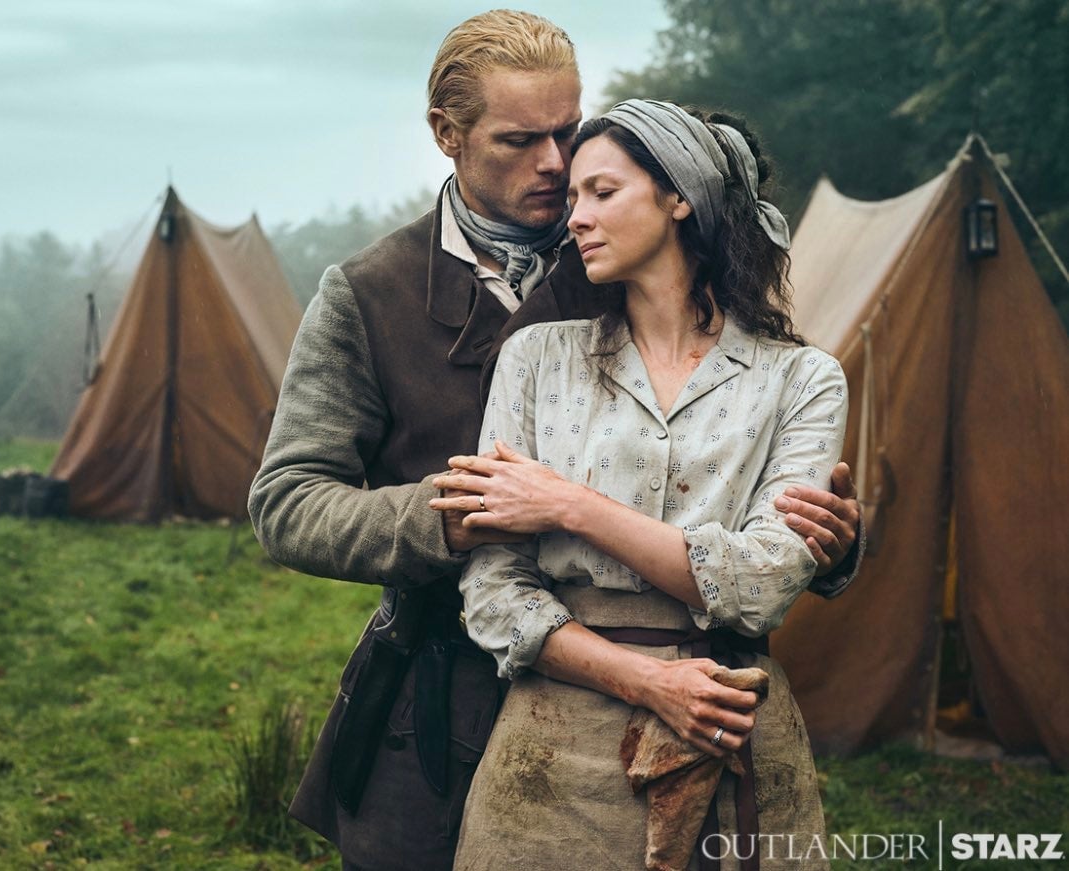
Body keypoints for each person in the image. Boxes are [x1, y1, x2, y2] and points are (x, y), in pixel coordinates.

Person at [248, 11, 861, 871]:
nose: (553, 164)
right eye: (518, 139)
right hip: (443, 682)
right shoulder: (366, 294)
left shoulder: (628, 244)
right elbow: (286, 504)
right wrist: (456, 515)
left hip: (675, 671)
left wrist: (819, 540)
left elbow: (744, 423)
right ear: (447, 135)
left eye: (566, 132)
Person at [429, 100, 844, 870]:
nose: (575, 218)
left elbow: (759, 588)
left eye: (602, 192)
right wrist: (647, 680)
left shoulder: (802, 379)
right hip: (553, 753)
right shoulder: (536, 360)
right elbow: (492, 586)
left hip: (732, 724)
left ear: (678, 197)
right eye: (574, 197)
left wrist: (568, 504)